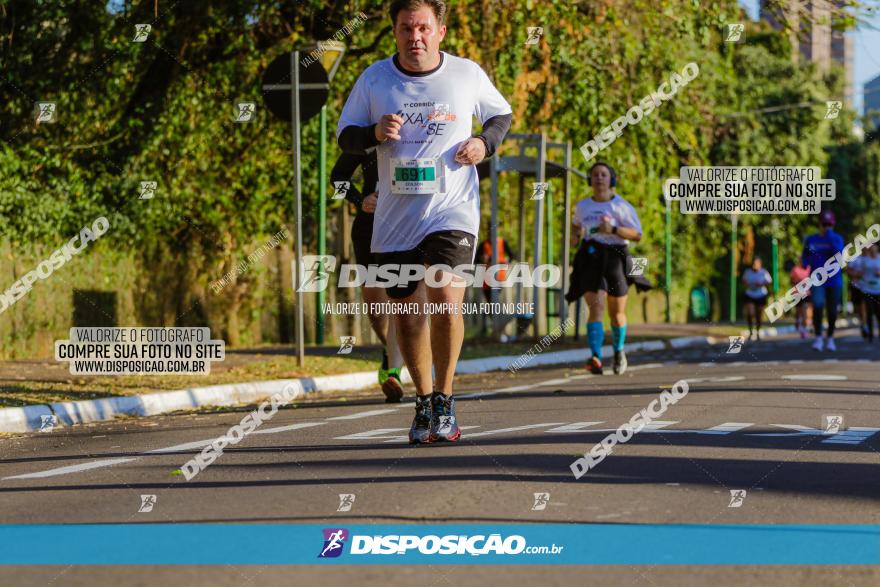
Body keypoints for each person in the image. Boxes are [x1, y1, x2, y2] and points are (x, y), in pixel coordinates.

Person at [336, 0, 512, 443]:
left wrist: (483, 144)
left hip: (452, 208)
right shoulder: (375, 78)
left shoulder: (466, 73)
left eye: (422, 28)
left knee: (444, 297)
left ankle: (446, 399)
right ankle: (423, 400)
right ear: (394, 32)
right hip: (397, 217)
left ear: (440, 31)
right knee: (409, 315)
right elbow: (346, 135)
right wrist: (374, 134)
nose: (414, 37)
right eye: (405, 29)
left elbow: (500, 115)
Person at [330, 150, 406, 402]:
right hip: (368, 228)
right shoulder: (366, 139)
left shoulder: (418, 132)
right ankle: (391, 348)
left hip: (406, 225)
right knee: (376, 309)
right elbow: (337, 177)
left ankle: (394, 371)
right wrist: (359, 199)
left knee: (399, 300)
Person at [567, 162, 643, 375]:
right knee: (595, 308)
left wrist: (614, 229)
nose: (599, 178)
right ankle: (596, 356)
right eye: (595, 175)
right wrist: (575, 235)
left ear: (612, 179)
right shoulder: (582, 206)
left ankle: (619, 351)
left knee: (616, 312)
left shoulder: (622, 207)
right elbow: (574, 234)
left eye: (604, 174)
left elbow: (637, 234)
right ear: (590, 180)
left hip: (616, 257)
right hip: (591, 256)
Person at [802, 210, 845, 351]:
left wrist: (829, 237)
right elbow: (805, 255)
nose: (826, 227)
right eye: (824, 224)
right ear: (819, 224)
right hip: (817, 280)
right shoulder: (811, 239)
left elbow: (839, 255)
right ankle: (819, 338)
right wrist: (805, 263)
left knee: (832, 311)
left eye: (829, 224)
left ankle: (831, 338)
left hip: (834, 280)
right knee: (818, 307)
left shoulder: (837, 238)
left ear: (833, 225)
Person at [851, 243, 880, 342]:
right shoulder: (862, 260)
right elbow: (854, 272)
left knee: (877, 312)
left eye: (873, 246)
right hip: (865, 289)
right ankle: (869, 332)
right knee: (867, 311)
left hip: (878, 290)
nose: (871, 248)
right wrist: (856, 276)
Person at [741, 257, 772, 340]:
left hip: (761, 295)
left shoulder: (764, 272)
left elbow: (769, 281)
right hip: (750, 294)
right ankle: (751, 331)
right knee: (750, 313)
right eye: (753, 264)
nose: (754, 266)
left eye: (756, 264)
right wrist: (746, 283)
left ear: (760, 265)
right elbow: (743, 280)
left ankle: (758, 332)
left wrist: (761, 283)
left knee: (759, 315)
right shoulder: (747, 272)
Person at [786, 259, 812, 339]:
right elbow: (791, 281)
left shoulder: (809, 268)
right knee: (799, 312)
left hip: (807, 294)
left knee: (806, 311)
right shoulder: (795, 270)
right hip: (797, 294)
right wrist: (797, 281)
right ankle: (798, 322)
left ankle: (804, 329)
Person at [846, 252, 868, 339]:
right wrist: (856, 275)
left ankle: (866, 324)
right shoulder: (855, 258)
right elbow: (848, 270)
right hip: (857, 287)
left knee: (865, 305)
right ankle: (864, 324)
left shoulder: (875, 257)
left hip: (872, 288)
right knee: (859, 307)